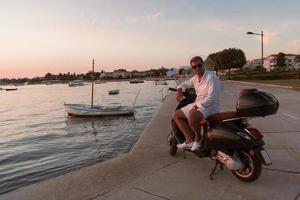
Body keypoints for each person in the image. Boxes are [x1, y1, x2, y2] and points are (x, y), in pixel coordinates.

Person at [172, 56, 221, 151]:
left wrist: (197, 106)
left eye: (199, 65)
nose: (197, 68)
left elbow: (211, 98)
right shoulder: (195, 78)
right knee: (176, 114)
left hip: (210, 106)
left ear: (203, 64)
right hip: (198, 104)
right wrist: (179, 90)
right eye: (194, 67)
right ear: (192, 69)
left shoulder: (211, 77)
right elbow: (185, 84)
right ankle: (189, 140)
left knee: (192, 115)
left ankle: (198, 139)